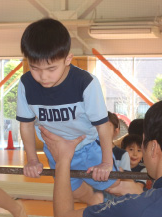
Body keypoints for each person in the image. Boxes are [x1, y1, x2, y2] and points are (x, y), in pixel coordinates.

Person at [16, 18, 113, 206]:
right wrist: (32, 159)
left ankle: (138, 200)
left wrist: (106, 162)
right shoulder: (26, 84)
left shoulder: (85, 83)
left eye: (51, 68)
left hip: (85, 149)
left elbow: (103, 125)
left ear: (68, 58)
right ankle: (97, 201)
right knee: (72, 191)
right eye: (34, 68)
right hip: (54, 151)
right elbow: (26, 124)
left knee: (116, 186)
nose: (43, 77)